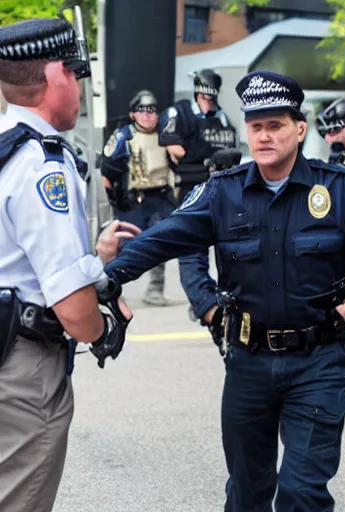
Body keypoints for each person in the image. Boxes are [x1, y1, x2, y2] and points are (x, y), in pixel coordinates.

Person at [102, 69, 345, 511]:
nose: (264, 136)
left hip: (319, 362)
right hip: (248, 364)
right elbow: (162, 240)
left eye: (275, 125)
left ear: (299, 128)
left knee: (301, 493)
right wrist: (108, 278)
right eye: (256, 126)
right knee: (246, 494)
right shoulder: (222, 193)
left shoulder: (341, 189)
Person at [0, 18, 136, 511]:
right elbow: (73, 311)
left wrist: (92, 261)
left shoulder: (5, 147)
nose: (77, 85)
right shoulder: (42, 165)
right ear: (56, 74)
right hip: (22, 369)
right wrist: (103, 330)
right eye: (75, 73)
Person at [160, 68, 237, 320]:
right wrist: (204, 156)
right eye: (204, 97)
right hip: (190, 189)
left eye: (211, 98)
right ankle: (205, 306)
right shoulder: (179, 112)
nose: (208, 103)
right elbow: (177, 150)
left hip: (222, 188)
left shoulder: (222, 117)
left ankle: (224, 299)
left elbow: (230, 149)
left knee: (230, 249)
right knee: (192, 252)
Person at [101, 90, 177, 307]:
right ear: (133, 114)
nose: (147, 115)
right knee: (123, 246)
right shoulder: (123, 136)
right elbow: (107, 171)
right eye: (141, 110)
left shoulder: (166, 135)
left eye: (152, 110)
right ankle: (110, 287)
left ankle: (155, 289)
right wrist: (115, 199)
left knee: (162, 241)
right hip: (132, 198)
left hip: (159, 197)